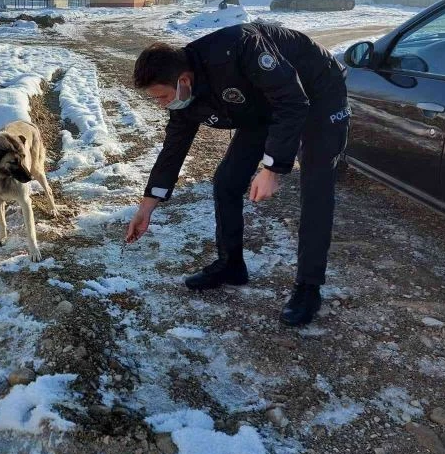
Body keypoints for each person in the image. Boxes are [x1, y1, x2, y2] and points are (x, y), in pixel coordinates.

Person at [126, 23, 350, 326]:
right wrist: (147, 205)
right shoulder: (185, 96)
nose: (161, 104)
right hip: (264, 102)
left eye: (162, 97)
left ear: (183, 80)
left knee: (316, 186)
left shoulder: (238, 49)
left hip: (317, 87)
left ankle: (308, 287)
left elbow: (293, 101)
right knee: (227, 182)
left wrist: (272, 167)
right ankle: (231, 264)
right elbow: (173, 149)